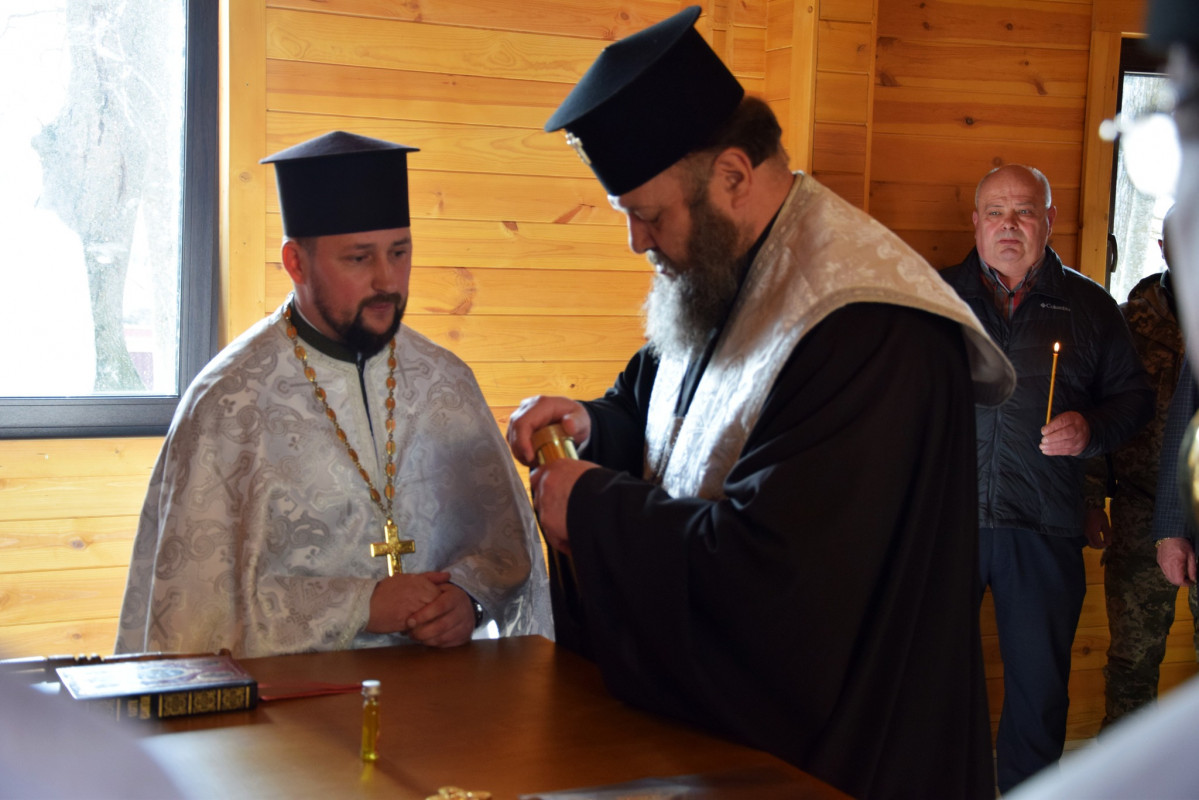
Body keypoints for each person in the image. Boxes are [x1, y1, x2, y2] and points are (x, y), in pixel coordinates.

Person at [507, 7, 1016, 799]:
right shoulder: (722, 267)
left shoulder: (862, 322)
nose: (637, 243)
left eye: (646, 214)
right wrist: (592, 427)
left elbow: (778, 587)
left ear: (733, 175)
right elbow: (660, 412)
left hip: (845, 760)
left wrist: (596, 511)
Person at [115, 131, 551, 658]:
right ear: (296, 264)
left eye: (399, 251)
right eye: (358, 259)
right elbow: (197, 610)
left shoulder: (446, 383)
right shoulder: (230, 404)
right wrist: (362, 604)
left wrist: (468, 599)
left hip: (443, 703)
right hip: (288, 720)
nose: (387, 280)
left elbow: (504, 554)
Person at [939, 163, 1154, 792]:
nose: (1010, 223)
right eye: (997, 211)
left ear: (1049, 221)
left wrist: (1090, 427)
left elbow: (1135, 401)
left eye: (1025, 210)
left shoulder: (1089, 306)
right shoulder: (931, 297)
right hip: (945, 528)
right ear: (976, 222)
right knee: (936, 687)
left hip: (1045, 528)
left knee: (1038, 696)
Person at [1083, 214, 1195, 727]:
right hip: (1138, 508)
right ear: (1163, 245)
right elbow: (1095, 412)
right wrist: (1090, 502)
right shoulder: (1126, 324)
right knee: (1132, 658)